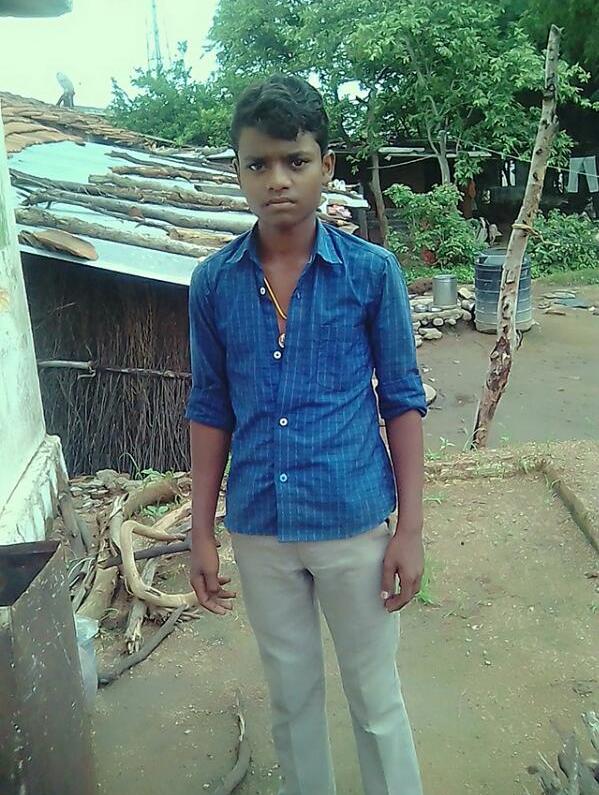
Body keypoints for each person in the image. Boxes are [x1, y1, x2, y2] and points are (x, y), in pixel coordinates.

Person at [186, 74, 427, 795]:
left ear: (326, 165)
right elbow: (209, 407)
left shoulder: (370, 274)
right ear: (237, 172)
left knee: (375, 698)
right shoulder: (213, 282)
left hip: (351, 521)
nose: (277, 180)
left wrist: (410, 530)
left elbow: (402, 401)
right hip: (260, 525)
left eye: (295, 161)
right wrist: (202, 531)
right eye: (257, 163)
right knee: (290, 699)